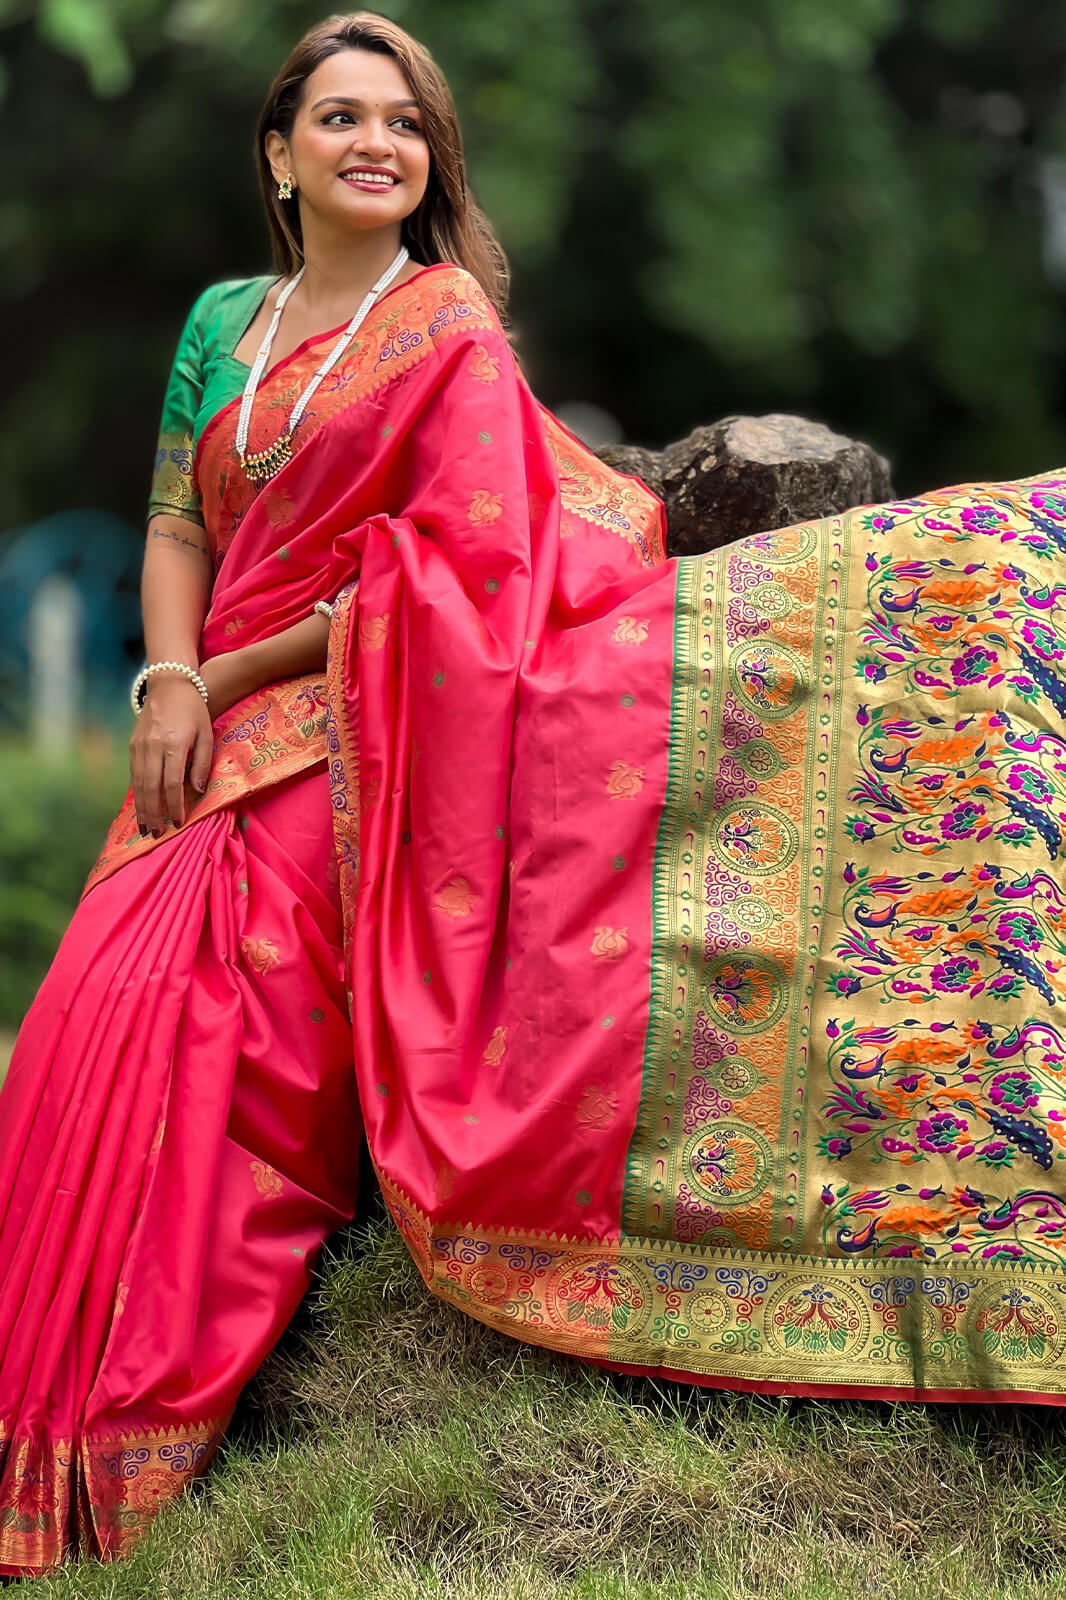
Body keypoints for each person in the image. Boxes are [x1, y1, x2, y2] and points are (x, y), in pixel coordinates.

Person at [5, 5, 1066, 1580]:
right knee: (85, 1013)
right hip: (199, 718)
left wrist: (226, 685)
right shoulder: (221, 318)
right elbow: (174, 524)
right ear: (279, 150)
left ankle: (117, 1462)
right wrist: (169, 678)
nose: (378, 142)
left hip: (348, 723)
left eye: (407, 122)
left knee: (217, 1013)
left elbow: (467, 566)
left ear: (429, 159)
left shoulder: (443, 328)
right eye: (344, 116)